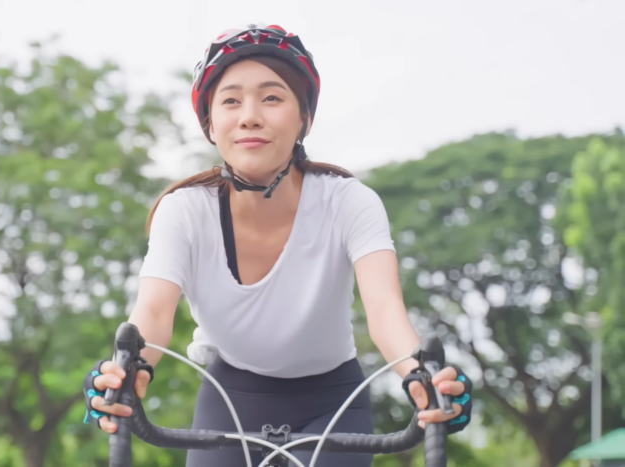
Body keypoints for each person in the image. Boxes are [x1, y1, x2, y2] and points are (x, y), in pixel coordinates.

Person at [81, 24, 474, 466]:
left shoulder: (350, 202)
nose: (250, 115)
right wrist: (125, 370)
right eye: (230, 100)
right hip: (231, 399)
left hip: (334, 400)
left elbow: (385, 314)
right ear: (210, 123)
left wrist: (423, 377)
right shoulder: (183, 211)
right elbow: (152, 313)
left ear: (304, 117)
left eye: (272, 97)